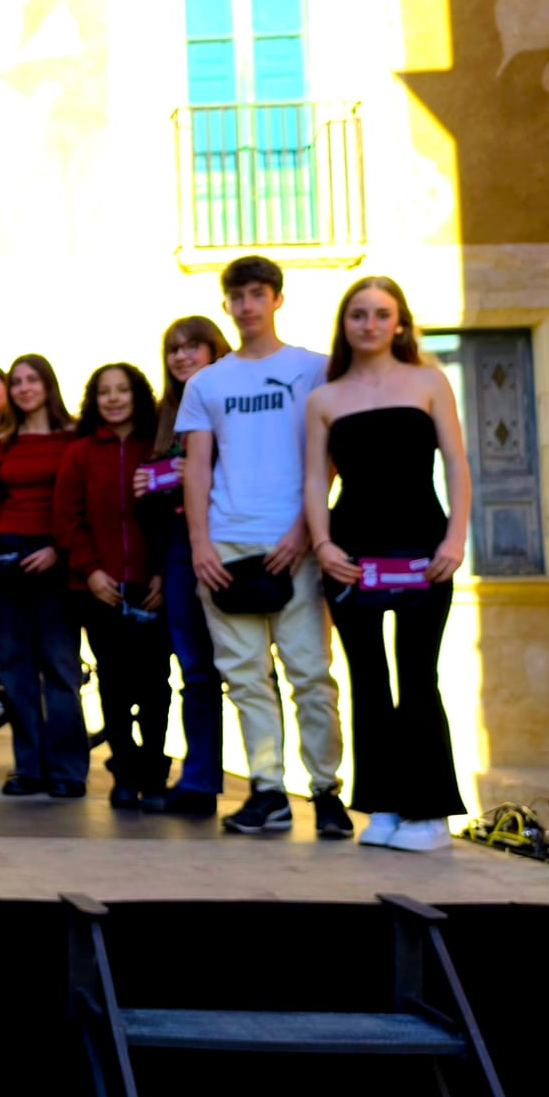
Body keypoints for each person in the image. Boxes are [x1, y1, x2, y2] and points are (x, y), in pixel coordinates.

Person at [175, 255, 348, 836]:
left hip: (295, 541)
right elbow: (198, 467)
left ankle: (325, 791)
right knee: (245, 677)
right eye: (238, 296)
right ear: (226, 304)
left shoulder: (314, 369)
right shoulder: (207, 382)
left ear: (277, 298)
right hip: (226, 543)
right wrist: (200, 544)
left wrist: (305, 529)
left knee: (310, 674)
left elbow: (327, 458)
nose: (247, 306)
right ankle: (268, 790)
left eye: (257, 294)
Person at [305, 276, 472, 852]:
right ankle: (383, 807)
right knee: (368, 680)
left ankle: (430, 815)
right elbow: (314, 479)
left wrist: (455, 539)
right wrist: (323, 545)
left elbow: (456, 463)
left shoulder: (429, 382)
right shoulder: (324, 398)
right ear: (344, 324)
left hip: (425, 549)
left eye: (381, 314)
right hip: (350, 553)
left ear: (399, 322)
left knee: (418, 675)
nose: (370, 324)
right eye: (359, 314)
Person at [56, 364, 172, 807]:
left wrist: (161, 572)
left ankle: (154, 771)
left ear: (138, 395)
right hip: (99, 590)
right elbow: (67, 519)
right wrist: (91, 571)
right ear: (94, 400)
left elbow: (171, 515)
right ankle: (124, 770)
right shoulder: (80, 453)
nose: (114, 399)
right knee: (114, 683)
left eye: (123, 390)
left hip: (153, 587)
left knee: (156, 684)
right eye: (105, 392)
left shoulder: (158, 447)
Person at [0, 354, 88, 798]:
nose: (23, 388)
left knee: (59, 667)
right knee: (15, 668)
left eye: (31, 380)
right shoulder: (3, 442)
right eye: (17, 381)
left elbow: (79, 502)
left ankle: (67, 770)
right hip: (6, 561)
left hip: (53, 560)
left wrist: (58, 549)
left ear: (47, 385)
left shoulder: (73, 437)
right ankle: (29, 767)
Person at [134, 315, 234, 815]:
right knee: (194, 670)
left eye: (193, 346)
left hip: (231, 541)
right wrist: (149, 484)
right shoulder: (163, 415)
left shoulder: (235, 399)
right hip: (177, 547)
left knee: (248, 669)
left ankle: (269, 786)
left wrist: (198, 470)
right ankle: (199, 782)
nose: (181, 356)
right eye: (173, 349)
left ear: (215, 349)